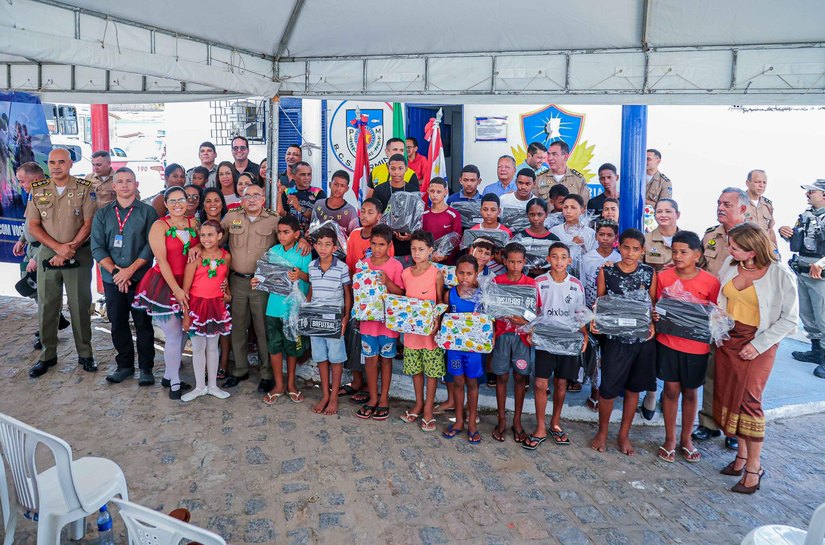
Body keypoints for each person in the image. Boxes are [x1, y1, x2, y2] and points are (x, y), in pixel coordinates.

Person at [714, 223, 798, 494]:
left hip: (760, 342)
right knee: (731, 397)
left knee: (749, 402)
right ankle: (740, 458)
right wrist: (718, 329)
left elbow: (789, 319)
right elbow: (722, 301)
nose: (729, 250)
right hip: (729, 339)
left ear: (752, 251)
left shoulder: (780, 274)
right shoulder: (730, 264)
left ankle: (754, 466)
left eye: (735, 247)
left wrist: (759, 345)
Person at [26, 149, 96, 378]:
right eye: (52, 162)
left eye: (61, 162)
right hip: (48, 255)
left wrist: (69, 249)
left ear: (70, 164)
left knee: (79, 306)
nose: (56, 166)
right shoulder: (38, 190)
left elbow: (88, 224)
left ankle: (85, 354)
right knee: (47, 306)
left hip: (79, 255)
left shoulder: (85, 189)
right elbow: (34, 225)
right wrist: (58, 249)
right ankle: (47, 355)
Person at [653, 231, 721, 463]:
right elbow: (655, 306)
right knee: (670, 389)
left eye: (683, 252)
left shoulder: (711, 282)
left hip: (697, 348)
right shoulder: (664, 278)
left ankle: (686, 438)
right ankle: (670, 438)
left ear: (697, 255)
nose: (678, 256)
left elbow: (716, 315)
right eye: (674, 251)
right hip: (668, 343)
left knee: (691, 392)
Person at [591, 228, 657, 456]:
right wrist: (596, 321)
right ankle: (602, 431)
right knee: (608, 388)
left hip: (641, 340)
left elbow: (653, 305)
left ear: (643, 250)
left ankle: (623, 434)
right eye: (626, 248)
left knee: (633, 388)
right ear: (619, 247)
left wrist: (652, 325)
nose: (630, 253)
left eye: (636, 249)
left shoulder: (649, 272)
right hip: (615, 339)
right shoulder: (607, 271)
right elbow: (600, 303)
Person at [91, 167, 158, 386]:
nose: (125, 185)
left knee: (143, 324)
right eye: (120, 181)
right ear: (114, 186)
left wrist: (129, 271)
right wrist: (117, 272)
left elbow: (152, 246)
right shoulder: (103, 214)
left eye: (129, 181)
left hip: (139, 279)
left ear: (136, 185)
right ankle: (125, 366)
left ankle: (146, 368)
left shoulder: (147, 213)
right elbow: (97, 248)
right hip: (113, 280)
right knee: (118, 323)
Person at [695, 187, 749, 449]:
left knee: (736, 375)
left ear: (743, 209)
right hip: (711, 314)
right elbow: (701, 271)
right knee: (711, 371)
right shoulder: (711, 236)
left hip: (741, 317)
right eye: (719, 203)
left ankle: (733, 428)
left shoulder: (755, 238)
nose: (720, 207)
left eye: (727, 203)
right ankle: (708, 423)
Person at [133, 186, 199, 398]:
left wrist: (199, 249)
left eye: (182, 200)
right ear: (166, 203)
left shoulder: (193, 223)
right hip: (164, 283)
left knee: (183, 331)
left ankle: (170, 375)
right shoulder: (159, 226)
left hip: (188, 282)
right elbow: (161, 260)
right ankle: (175, 385)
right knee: (173, 333)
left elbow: (204, 246)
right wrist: (177, 290)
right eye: (173, 201)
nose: (178, 204)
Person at [524, 242, 588, 450]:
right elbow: (533, 311)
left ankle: (555, 423)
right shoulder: (539, 282)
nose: (559, 261)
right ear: (548, 259)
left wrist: (584, 336)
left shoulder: (576, 284)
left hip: (568, 339)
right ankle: (541, 427)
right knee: (541, 384)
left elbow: (580, 314)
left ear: (569, 260)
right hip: (545, 338)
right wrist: (530, 330)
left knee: (561, 384)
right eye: (554, 256)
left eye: (563, 257)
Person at [220, 184, 283, 391]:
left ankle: (266, 373)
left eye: (257, 195)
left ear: (263, 198)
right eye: (248, 196)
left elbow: (286, 242)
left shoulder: (273, 219)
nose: (253, 199)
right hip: (237, 281)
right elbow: (216, 242)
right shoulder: (231, 217)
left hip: (262, 283)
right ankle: (240, 369)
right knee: (238, 327)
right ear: (242, 198)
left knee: (263, 329)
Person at [14, 162, 70, 350]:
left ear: (35, 179)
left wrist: (37, 257)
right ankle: (53, 322)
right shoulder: (33, 193)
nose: (21, 185)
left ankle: (48, 331)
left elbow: (54, 232)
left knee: (47, 296)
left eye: (22, 181)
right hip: (31, 248)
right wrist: (22, 239)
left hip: (44, 251)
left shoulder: (48, 195)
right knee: (35, 292)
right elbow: (30, 222)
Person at [257, 215, 311, 404]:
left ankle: (291, 384)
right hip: (273, 307)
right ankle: (279, 384)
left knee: (293, 348)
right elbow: (265, 276)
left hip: (294, 309)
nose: (281, 236)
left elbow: (309, 278)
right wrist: (257, 280)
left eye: (286, 232)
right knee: (275, 346)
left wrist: (300, 274)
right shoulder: (273, 251)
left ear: (297, 234)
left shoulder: (304, 253)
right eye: (279, 232)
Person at [355, 224, 405, 420]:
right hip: (368, 323)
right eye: (374, 244)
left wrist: (388, 283)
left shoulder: (395, 266)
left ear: (389, 245)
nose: (377, 248)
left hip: (387, 324)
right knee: (370, 360)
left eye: (381, 245)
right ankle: (372, 399)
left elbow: (401, 293)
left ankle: (384, 399)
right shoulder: (363, 264)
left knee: (386, 360)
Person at [489, 242, 537, 443]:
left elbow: (535, 312)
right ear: (504, 261)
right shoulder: (497, 282)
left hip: (521, 338)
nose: (515, 266)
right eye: (511, 262)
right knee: (501, 377)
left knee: (520, 378)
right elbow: (491, 310)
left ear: (524, 262)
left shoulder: (530, 283)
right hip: (501, 335)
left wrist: (525, 321)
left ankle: (517, 421)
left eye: (519, 262)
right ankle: (501, 419)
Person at [398, 231, 445, 431]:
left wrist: (438, 323)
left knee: (431, 372)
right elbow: (402, 298)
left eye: (421, 249)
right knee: (415, 371)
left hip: (430, 334)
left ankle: (428, 408)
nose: (416, 253)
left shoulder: (436, 273)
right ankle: (418, 403)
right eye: (413, 249)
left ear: (431, 251)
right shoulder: (406, 273)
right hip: (411, 334)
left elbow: (442, 302)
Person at [180, 220, 232, 401]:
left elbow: (227, 289)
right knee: (198, 347)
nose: (206, 238)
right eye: (202, 235)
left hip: (216, 307)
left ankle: (212, 386)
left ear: (219, 236)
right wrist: (186, 315)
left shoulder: (226, 257)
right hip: (197, 307)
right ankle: (199, 386)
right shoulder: (195, 258)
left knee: (212, 347)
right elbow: (185, 291)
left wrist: (226, 296)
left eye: (210, 235)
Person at [779, 180, 825, 378]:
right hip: (803, 271)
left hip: (819, 274)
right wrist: (785, 234)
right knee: (806, 313)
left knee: (823, 316)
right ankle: (816, 351)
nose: (808, 194)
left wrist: (821, 264)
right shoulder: (806, 215)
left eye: (812, 192)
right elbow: (801, 238)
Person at [305, 227, 353, 415]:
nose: (323, 248)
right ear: (315, 246)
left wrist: (346, 317)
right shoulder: (311, 266)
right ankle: (324, 394)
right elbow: (311, 291)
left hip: (334, 318)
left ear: (334, 247)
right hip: (315, 317)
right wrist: (306, 312)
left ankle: (333, 397)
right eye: (320, 244)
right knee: (321, 358)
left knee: (336, 359)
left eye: (328, 244)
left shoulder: (341, 267)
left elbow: (347, 294)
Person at [441, 255, 484, 444]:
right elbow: (445, 317)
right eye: (461, 273)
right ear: (455, 273)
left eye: (469, 273)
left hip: (473, 350)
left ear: (476, 274)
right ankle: (458, 421)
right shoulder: (450, 294)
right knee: (458, 382)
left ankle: (472, 424)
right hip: (455, 350)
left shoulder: (483, 295)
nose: (465, 277)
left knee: (473, 384)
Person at [580, 220, 621, 410]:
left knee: (609, 355)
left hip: (612, 314)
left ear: (615, 238)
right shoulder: (587, 258)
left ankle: (607, 391)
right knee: (594, 355)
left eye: (609, 235)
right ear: (596, 236)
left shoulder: (619, 258)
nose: (605, 239)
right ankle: (594, 392)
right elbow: (582, 284)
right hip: (591, 313)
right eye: (601, 234)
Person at [550, 194, 596, 277]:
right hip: (559, 276)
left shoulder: (590, 233)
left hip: (584, 276)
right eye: (565, 207)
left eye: (573, 207)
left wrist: (583, 247)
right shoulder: (555, 231)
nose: (568, 211)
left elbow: (594, 258)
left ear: (582, 210)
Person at [423, 177, 462, 263]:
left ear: (445, 192)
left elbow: (457, 240)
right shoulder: (423, 214)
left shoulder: (454, 215)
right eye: (432, 191)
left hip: (447, 263)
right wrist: (429, 255)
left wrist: (445, 255)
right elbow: (419, 238)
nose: (435, 195)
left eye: (439, 192)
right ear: (428, 191)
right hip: (426, 261)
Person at [280, 161, 327, 233]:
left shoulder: (319, 193)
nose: (307, 178)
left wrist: (299, 208)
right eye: (303, 175)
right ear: (293, 176)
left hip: (312, 235)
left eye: (309, 174)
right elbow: (282, 214)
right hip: (291, 236)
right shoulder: (287, 192)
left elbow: (321, 218)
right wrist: (279, 193)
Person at [312, 170, 358, 235]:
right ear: (330, 184)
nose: (338, 188)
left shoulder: (350, 211)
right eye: (336, 184)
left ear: (347, 189)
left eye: (342, 186)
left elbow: (354, 235)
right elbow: (312, 228)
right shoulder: (319, 204)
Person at [644, 198, 681, 272]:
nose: (663, 215)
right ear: (654, 215)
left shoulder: (688, 239)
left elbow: (700, 267)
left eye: (668, 211)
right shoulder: (645, 240)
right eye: (659, 211)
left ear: (678, 215)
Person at [743, 169, 778, 247]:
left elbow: (770, 230)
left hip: (763, 251)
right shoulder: (737, 203)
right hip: (745, 249)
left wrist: (776, 252)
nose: (761, 185)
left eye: (764, 182)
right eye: (757, 182)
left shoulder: (768, 205)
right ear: (747, 183)